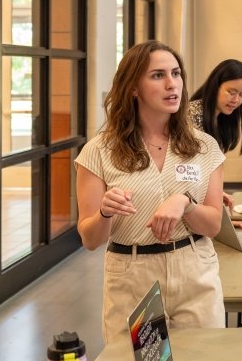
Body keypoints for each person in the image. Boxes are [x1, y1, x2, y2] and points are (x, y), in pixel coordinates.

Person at [75, 40, 227, 343]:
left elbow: (213, 225)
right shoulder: (100, 151)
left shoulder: (204, 147)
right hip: (132, 276)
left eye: (176, 73)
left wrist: (185, 202)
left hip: (194, 269)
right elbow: (91, 239)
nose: (172, 84)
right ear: (133, 87)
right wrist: (105, 211)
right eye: (158, 75)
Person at [189, 59, 242, 228]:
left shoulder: (222, 120)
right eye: (231, 92)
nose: (236, 100)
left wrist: (217, 195)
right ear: (215, 86)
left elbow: (206, 172)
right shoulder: (191, 115)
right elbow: (189, 172)